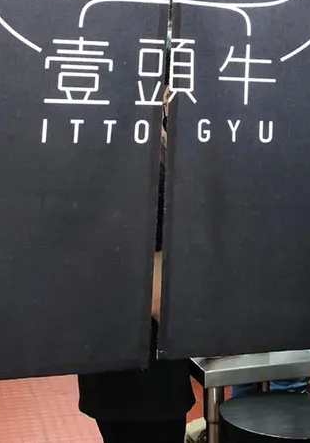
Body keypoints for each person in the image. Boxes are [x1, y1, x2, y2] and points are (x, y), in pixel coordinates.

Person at [77, 167, 195, 443]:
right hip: (150, 378)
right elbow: (156, 299)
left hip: (102, 361)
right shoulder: (153, 177)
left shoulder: (89, 177)